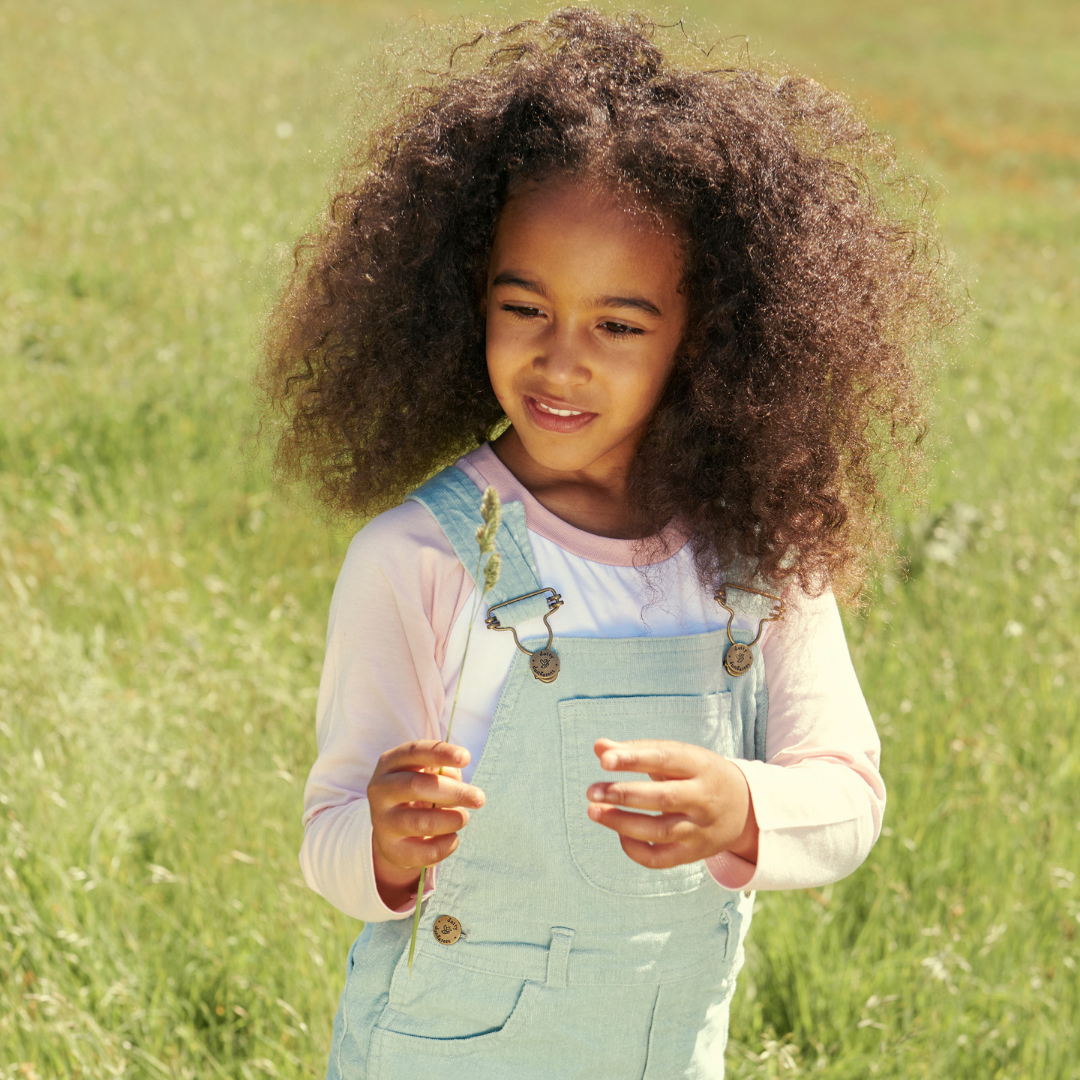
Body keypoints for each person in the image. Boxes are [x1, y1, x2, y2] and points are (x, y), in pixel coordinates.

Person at [259, 9, 952, 1078]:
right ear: (463, 302)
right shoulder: (419, 559)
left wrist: (742, 805)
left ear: (709, 334)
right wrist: (386, 847)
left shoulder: (758, 557)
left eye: (618, 325)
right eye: (523, 307)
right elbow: (331, 841)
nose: (560, 362)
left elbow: (849, 798)